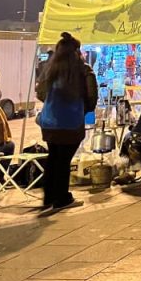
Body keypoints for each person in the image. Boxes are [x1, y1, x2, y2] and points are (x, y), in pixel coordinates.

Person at [35, 32, 98, 214]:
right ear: (77, 51)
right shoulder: (84, 70)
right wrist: (79, 109)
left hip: (50, 123)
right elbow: (92, 99)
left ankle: (48, 198)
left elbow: (41, 94)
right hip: (70, 123)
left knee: (54, 158)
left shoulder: (51, 69)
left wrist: (54, 105)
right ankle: (62, 198)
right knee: (63, 161)